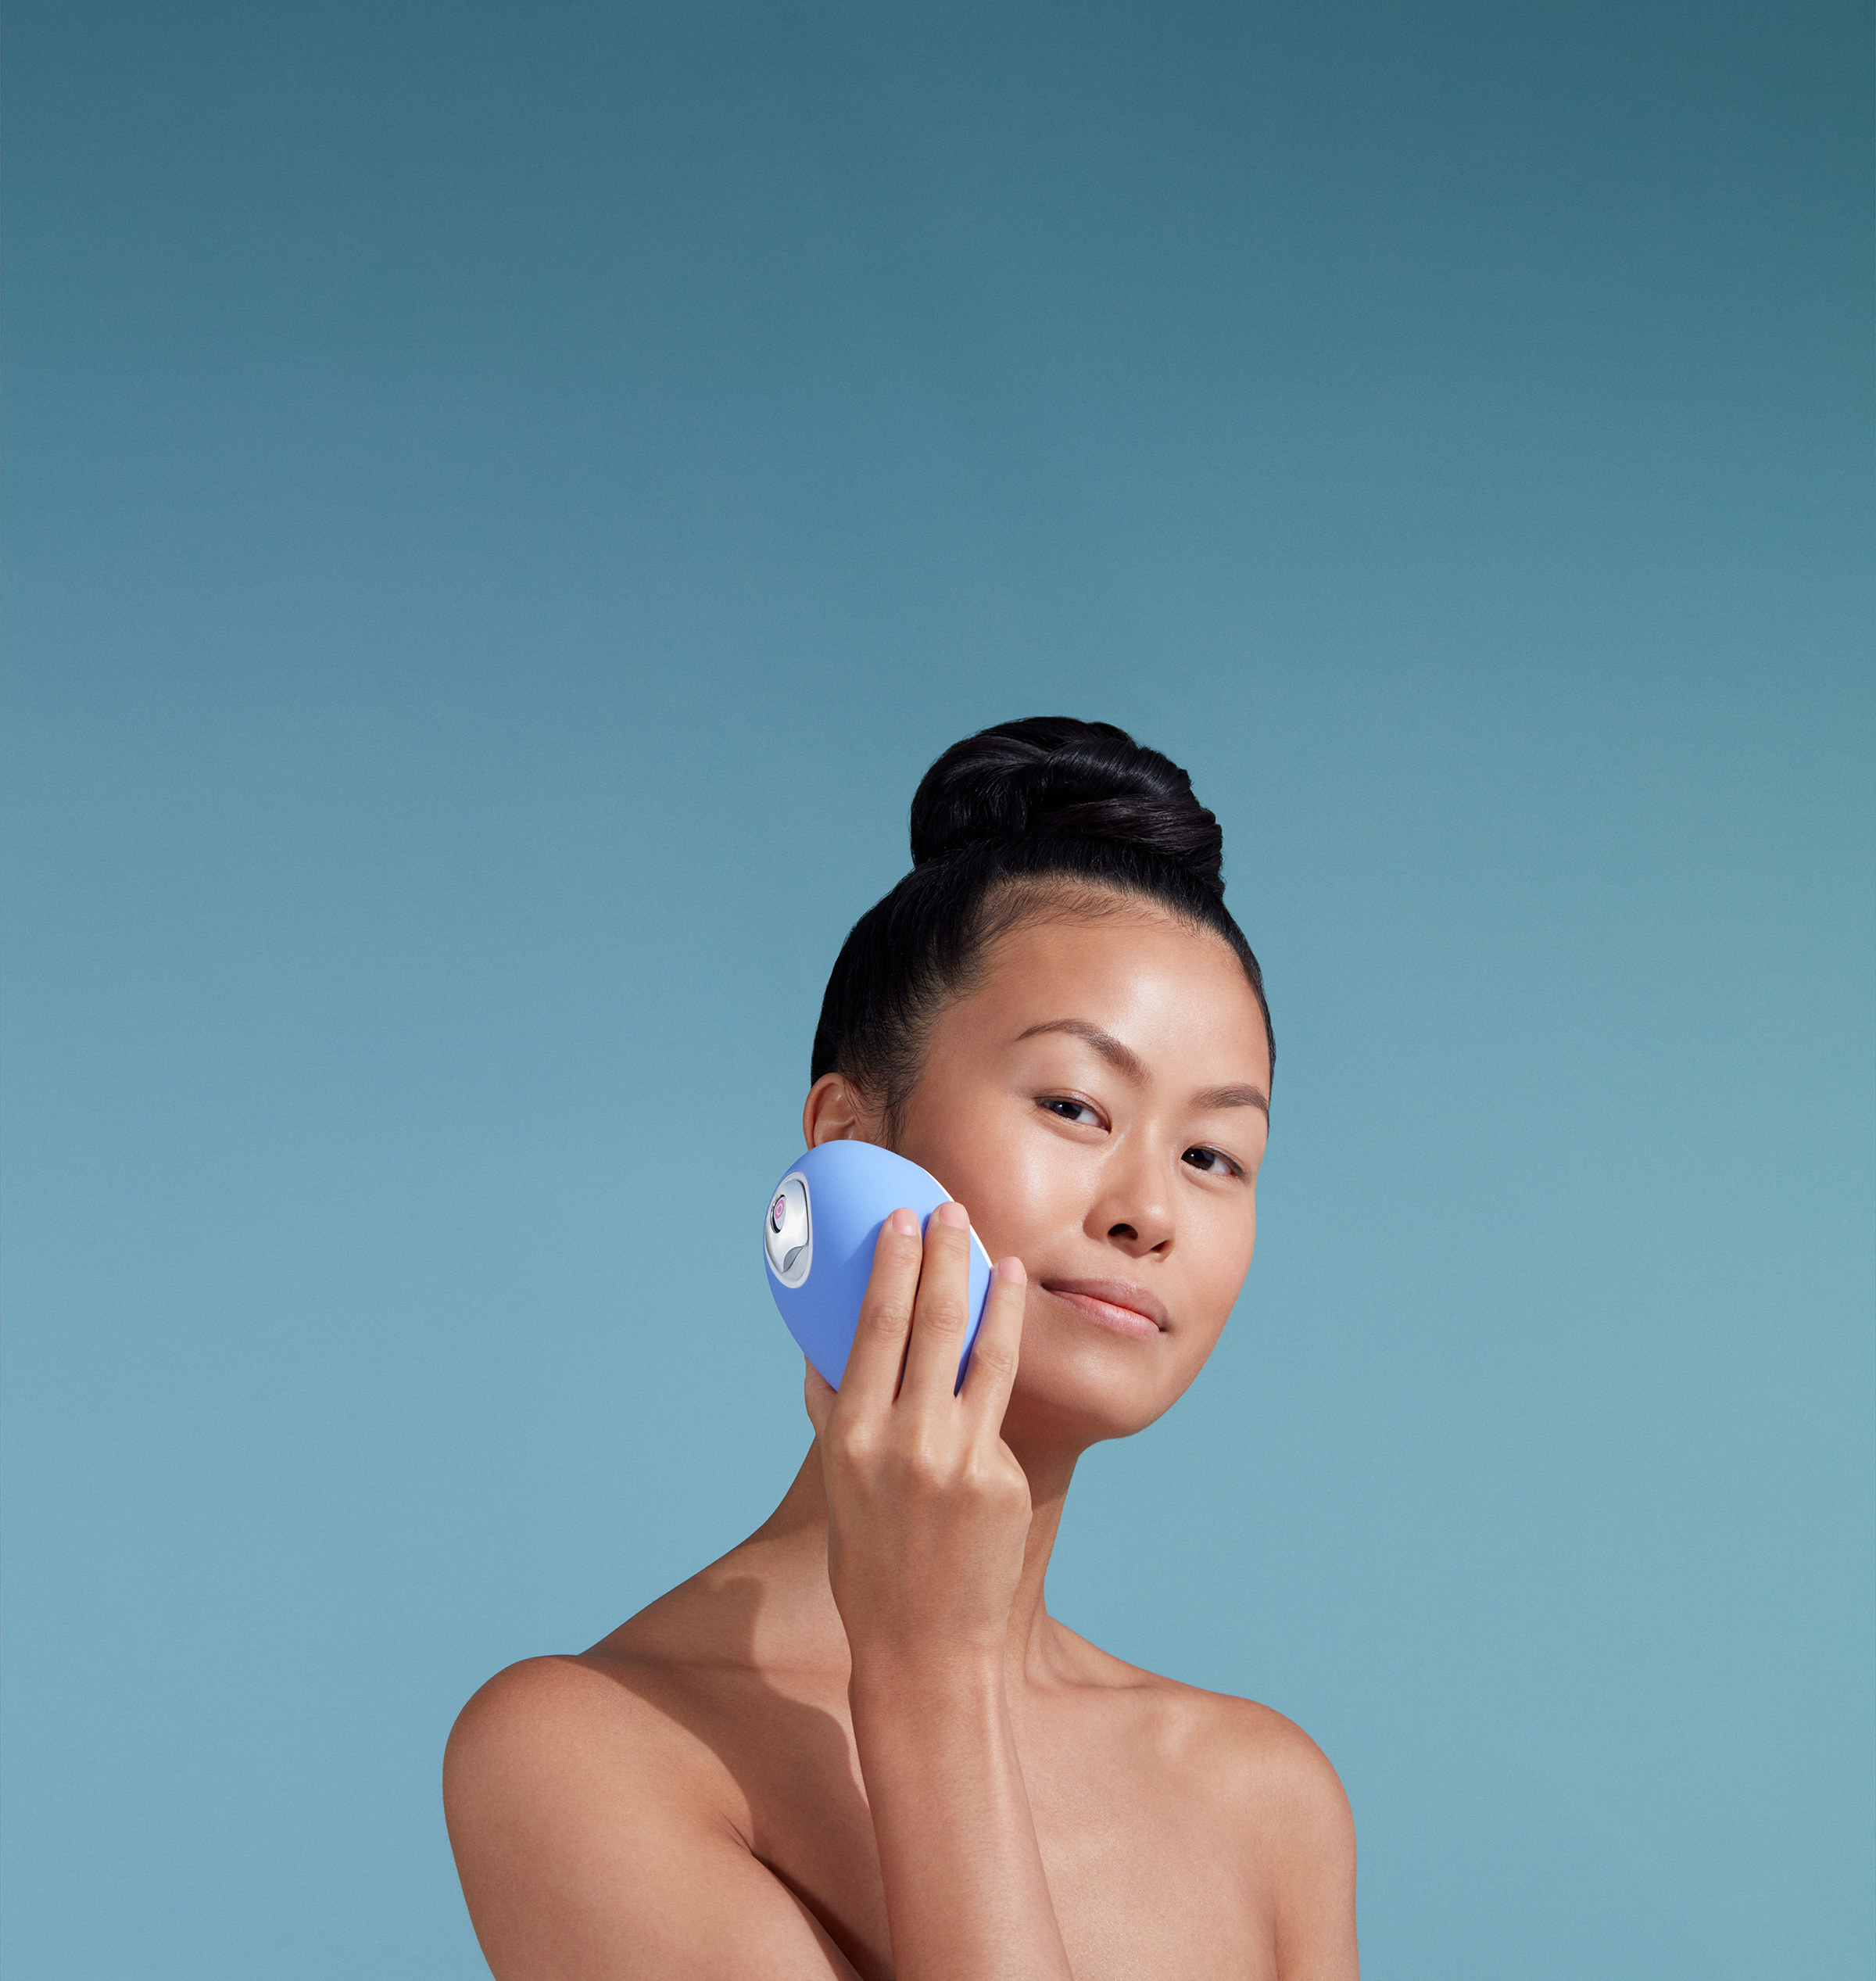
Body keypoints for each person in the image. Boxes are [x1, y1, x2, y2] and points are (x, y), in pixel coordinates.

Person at [443, 717, 1359, 1979]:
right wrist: (931, 1678)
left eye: (1213, 1155)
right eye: (1075, 1105)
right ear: (851, 1138)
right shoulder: (587, 1750)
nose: (1147, 1209)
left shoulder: (1270, 1799)